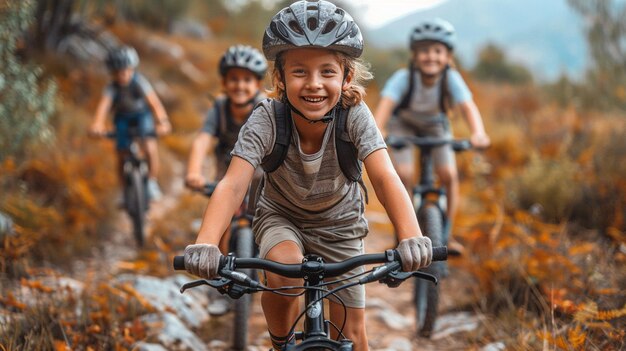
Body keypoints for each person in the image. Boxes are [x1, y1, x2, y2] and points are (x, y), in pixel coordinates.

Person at [183, 1, 433, 350]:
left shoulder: (355, 115)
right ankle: (281, 343)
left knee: (353, 337)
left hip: (341, 224)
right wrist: (208, 241)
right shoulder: (267, 118)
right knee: (283, 273)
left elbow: (385, 176)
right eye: (299, 71)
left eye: (327, 72)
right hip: (281, 217)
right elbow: (234, 182)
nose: (314, 84)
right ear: (279, 78)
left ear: (346, 77)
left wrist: (411, 235)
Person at [374, 18, 490, 255]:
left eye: (438, 51)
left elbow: (468, 108)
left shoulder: (452, 79)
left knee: (448, 175)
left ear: (448, 56)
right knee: (403, 174)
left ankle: (446, 235)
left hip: (436, 126)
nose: (431, 56)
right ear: (415, 56)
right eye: (424, 51)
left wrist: (478, 133)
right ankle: (402, 234)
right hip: (403, 124)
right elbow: (385, 108)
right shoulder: (403, 78)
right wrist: (379, 130)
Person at [90, 45, 171, 201]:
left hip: (142, 116)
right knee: (121, 154)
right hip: (122, 117)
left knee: (149, 147)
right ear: (112, 73)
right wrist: (97, 124)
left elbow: (154, 103)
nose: (122, 76)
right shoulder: (111, 88)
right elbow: (104, 106)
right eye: (117, 73)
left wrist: (162, 121)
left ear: (132, 69)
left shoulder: (139, 82)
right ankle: (123, 191)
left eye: (126, 71)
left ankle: (152, 183)